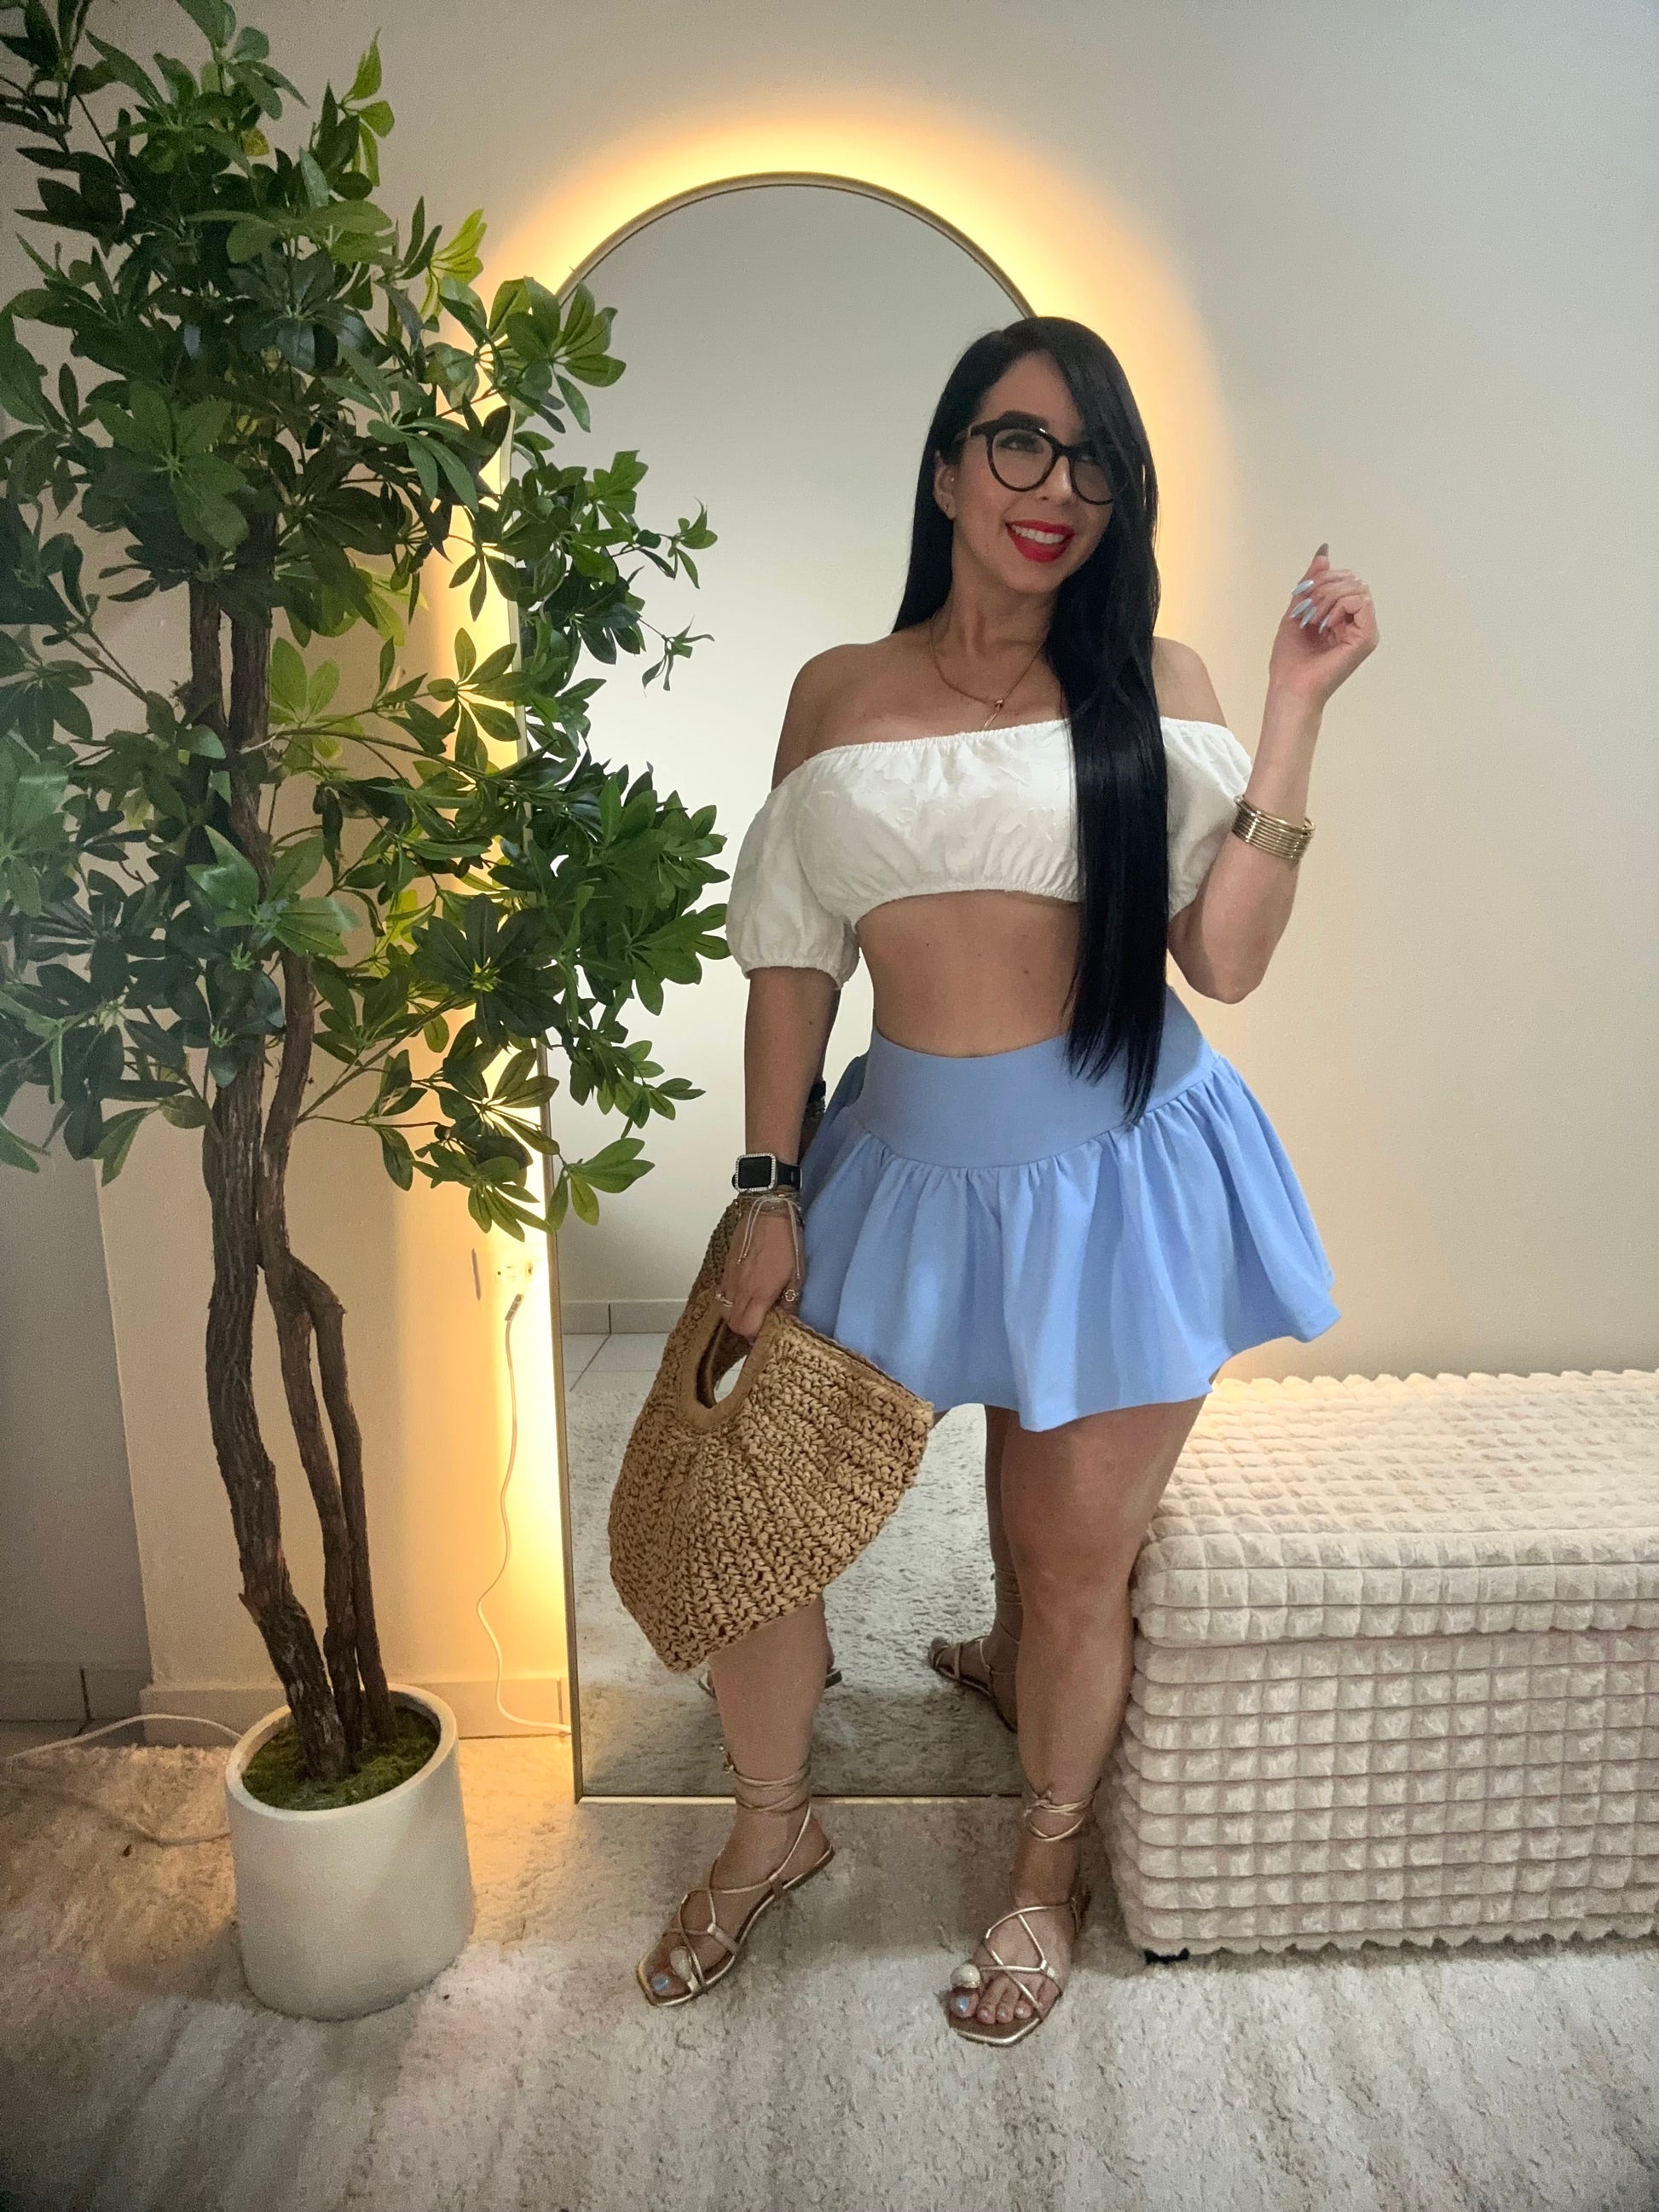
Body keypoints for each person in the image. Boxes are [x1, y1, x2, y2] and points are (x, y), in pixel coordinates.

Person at [636, 315, 1378, 2042]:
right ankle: (772, 1826)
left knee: (1066, 1568)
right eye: (1020, 443)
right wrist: (765, 1187)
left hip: (1118, 1181)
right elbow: (793, 965)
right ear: (948, 468)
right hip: (890, 1172)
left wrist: (1290, 709)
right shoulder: (837, 690)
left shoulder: (1155, 684)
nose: (1056, 486)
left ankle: (1043, 1872)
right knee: (757, 1522)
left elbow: (1225, 960)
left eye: (1093, 459)